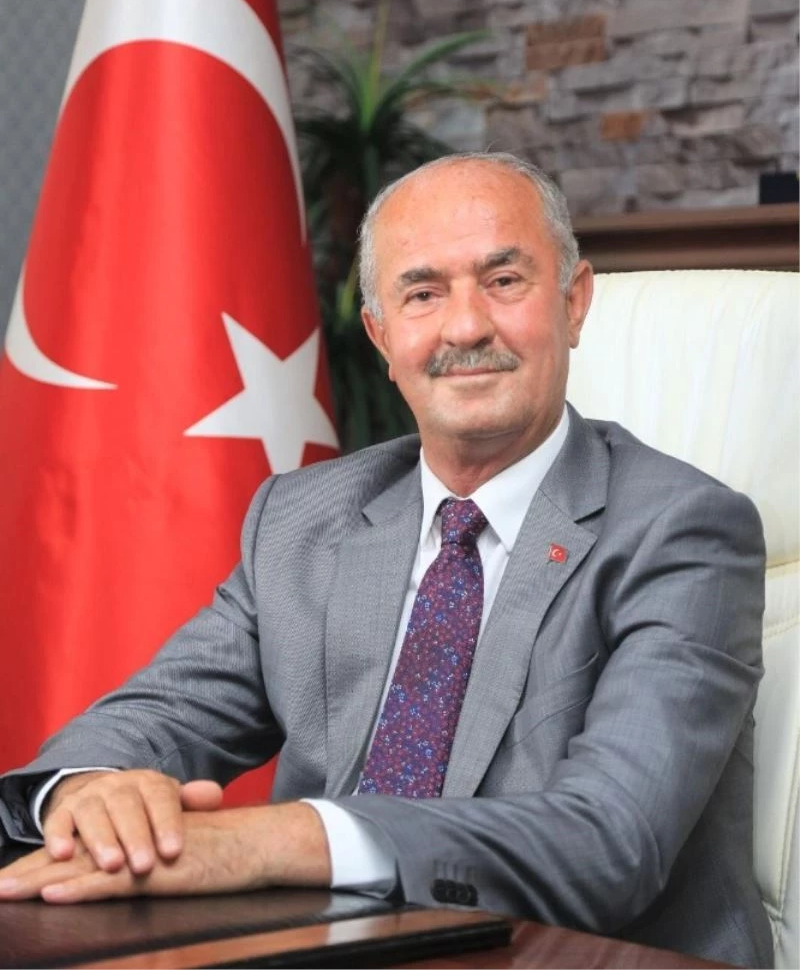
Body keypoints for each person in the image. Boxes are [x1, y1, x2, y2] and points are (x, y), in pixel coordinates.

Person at [0, 154, 772, 968]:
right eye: (422, 293)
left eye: (504, 280)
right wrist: (91, 791)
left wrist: (276, 838)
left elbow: (608, 842)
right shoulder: (302, 520)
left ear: (573, 302)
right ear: (380, 335)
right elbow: (155, 717)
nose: (465, 327)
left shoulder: (682, 529)